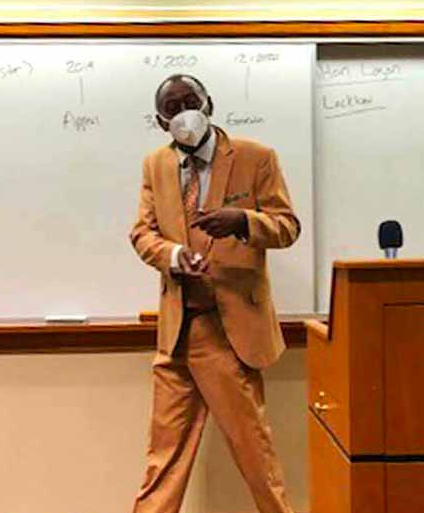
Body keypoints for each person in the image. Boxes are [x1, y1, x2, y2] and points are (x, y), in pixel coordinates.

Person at [129, 73, 300, 513]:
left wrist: (243, 222)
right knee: (161, 461)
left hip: (229, 334)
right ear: (160, 119)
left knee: (254, 454)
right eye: (173, 107)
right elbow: (143, 234)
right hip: (176, 333)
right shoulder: (156, 165)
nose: (184, 112)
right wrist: (173, 255)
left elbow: (287, 227)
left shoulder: (255, 158)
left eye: (192, 100)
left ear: (210, 103)